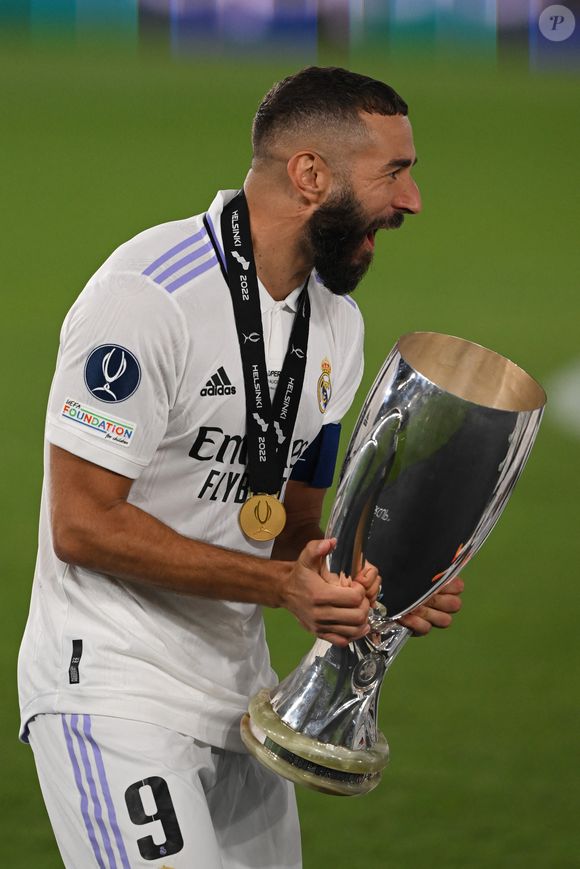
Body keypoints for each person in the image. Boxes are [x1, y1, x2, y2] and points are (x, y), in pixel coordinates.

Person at [18, 66, 464, 868]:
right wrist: (279, 587)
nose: (412, 201)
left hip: (243, 701)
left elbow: (292, 525)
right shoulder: (147, 296)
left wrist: (373, 579)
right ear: (310, 175)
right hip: (113, 690)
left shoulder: (337, 326)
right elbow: (82, 523)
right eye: (394, 173)